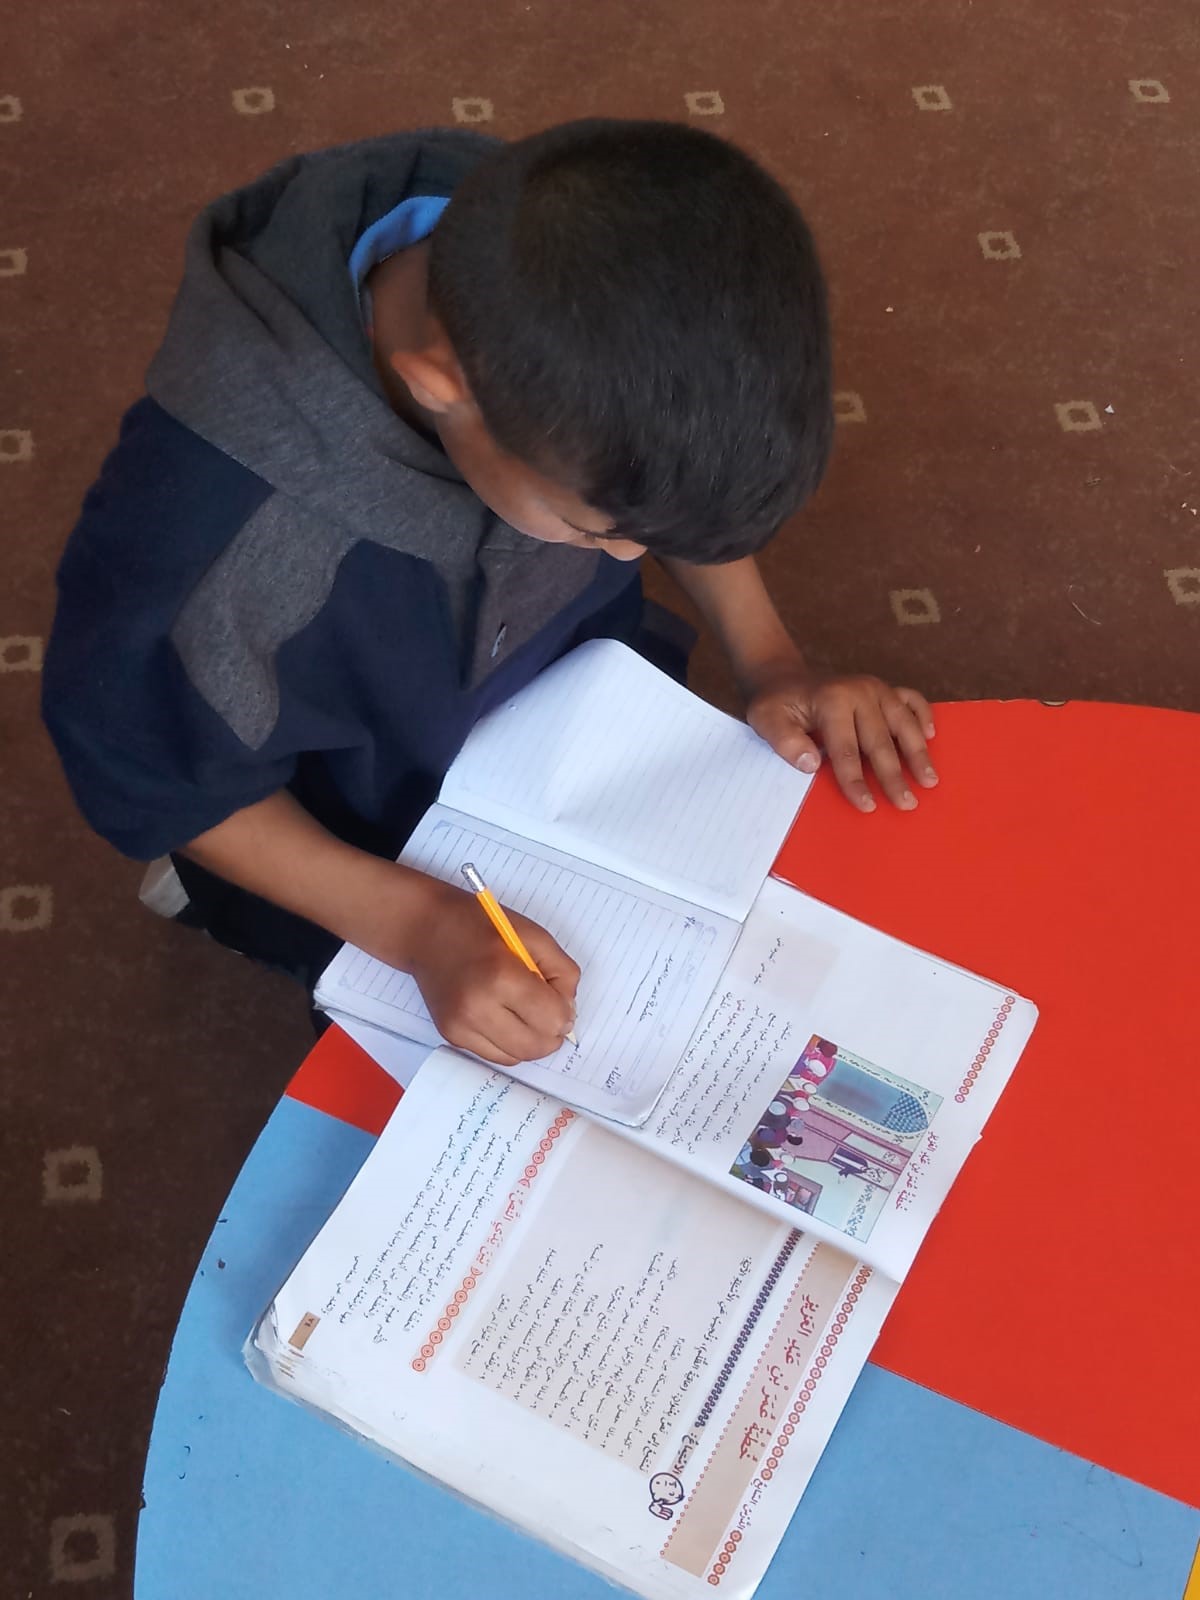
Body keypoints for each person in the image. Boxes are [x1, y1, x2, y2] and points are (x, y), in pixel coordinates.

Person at [43, 119, 938, 1068]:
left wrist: (768, 657)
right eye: (603, 529)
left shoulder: (556, 255)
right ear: (444, 386)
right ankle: (213, 894)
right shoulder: (208, 536)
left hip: (558, 711)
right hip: (348, 812)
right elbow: (150, 769)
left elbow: (657, 490)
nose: (635, 554)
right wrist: (420, 926)